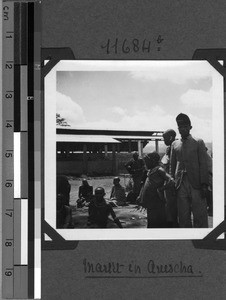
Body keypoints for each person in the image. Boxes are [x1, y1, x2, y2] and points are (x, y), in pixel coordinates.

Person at [170, 113, 209, 228]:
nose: (183, 129)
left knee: (200, 214)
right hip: (180, 184)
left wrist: (204, 184)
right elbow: (172, 166)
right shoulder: (174, 144)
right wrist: (172, 182)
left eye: (185, 127)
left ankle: (202, 238)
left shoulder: (198, 142)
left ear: (190, 128)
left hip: (196, 183)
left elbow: (203, 164)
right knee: (183, 215)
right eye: (180, 127)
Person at [139, 151, 174, 228]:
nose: (145, 164)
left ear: (153, 161)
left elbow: (171, 180)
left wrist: (161, 189)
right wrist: (140, 196)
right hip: (150, 202)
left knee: (157, 221)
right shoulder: (151, 171)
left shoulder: (159, 170)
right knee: (151, 220)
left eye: (147, 162)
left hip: (157, 201)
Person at [161, 129, 178, 228]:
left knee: (172, 206)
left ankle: (173, 225)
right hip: (167, 180)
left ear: (171, 137)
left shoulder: (175, 148)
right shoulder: (169, 148)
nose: (163, 140)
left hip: (172, 181)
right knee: (169, 205)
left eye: (164, 138)